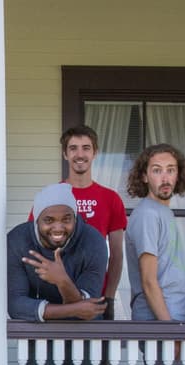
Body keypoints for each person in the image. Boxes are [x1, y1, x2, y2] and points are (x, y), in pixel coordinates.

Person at [7, 182, 108, 322]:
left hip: (85, 337)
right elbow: (16, 306)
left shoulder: (93, 241)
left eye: (66, 219)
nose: (58, 228)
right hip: (38, 338)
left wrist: (62, 281)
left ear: (75, 218)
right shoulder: (18, 240)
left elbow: (89, 311)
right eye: (49, 220)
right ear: (36, 220)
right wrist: (74, 309)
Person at [124, 143, 185, 323]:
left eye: (170, 170)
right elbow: (149, 281)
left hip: (171, 316)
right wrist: (170, 331)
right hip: (158, 321)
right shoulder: (147, 215)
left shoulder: (163, 212)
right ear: (144, 176)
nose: (165, 178)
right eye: (157, 170)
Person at [59, 126, 127, 319]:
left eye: (86, 148)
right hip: (58, 297)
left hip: (96, 298)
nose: (80, 154)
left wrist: (110, 297)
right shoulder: (51, 196)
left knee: (96, 350)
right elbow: (36, 246)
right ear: (65, 154)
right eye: (73, 148)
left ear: (95, 153)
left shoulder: (111, 198)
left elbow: (116, 255)